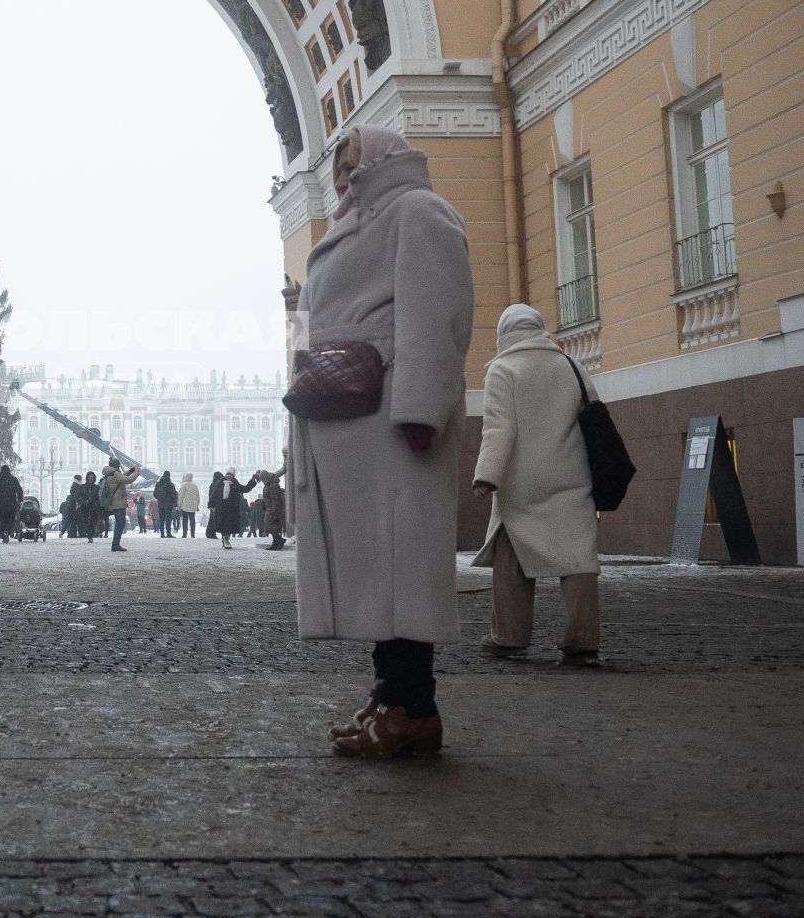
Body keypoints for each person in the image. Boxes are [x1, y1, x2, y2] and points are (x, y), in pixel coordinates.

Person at [290, 125, 473, 761]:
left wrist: (423, 408)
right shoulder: (355, 225)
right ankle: (387, 693)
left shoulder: (417, 212)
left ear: (380, 159)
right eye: (336, 168)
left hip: (394, 424)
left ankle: (412, 707)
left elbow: (435, 316)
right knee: (376, 573)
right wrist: (298, 311)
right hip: (353, 427)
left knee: (400, 572)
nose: (339, 178)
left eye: (349, 164)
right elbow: (325, 326)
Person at [472, 304, 603, 666]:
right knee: (578, 559)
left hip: (522, 483)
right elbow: (595, 413)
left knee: (511, 555)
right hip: (572, 478)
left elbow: (499, 428)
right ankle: (584, 643)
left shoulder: (503, 369)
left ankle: (509, 637)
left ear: (504, 334)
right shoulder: (572, 366)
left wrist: (486, 476)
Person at [100, 459, 141, 551]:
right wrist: (136, 472)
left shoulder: (109, 473)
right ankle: (115, 544)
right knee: (120, 524)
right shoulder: (115, 474)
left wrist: (129, 471)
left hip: (114, 502)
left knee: (119, 523)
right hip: (118, 503)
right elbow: (128, 480)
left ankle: (115, 544)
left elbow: (121, 478)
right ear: (117, 465)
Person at [214, 468, 253, 549]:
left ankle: (226, 539)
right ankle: (225, 539)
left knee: (230, 526)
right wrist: (211, 504)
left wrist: (252, 480)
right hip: (222, 508)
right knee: (224, 525)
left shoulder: (235, 484)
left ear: (233, 475)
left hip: (232, 509)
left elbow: (246, 489)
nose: (228, 476)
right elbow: (214, 494)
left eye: (230, 474)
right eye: (227, 474)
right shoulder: (220, 483)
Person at [258, 462, 288, 550]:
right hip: (269, 509)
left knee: (273, 526)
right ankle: (276, 542)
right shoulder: (268, 484)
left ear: (266, 477)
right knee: (269, 526)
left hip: (273, 509)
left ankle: (279, 541)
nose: (262, 481)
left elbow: (275, 500)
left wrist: (275, 513)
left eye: (263, 479)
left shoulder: (273, 485)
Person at [0, 465, 24, 543]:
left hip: (1, 504)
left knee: (2, 519)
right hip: (11, 503)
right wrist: (19, 500)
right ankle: (7, 531)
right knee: (10, 519)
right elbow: (19, 490)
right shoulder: (14, 480)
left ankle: (4, 532)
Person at [153, 472, 178, 539]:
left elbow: (155, 494)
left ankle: (162, 534)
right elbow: (174, 495)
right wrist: (174, 504)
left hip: (161, 505)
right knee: (168, 519)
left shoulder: (158, 484)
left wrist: (160, 499)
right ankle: (168, 533)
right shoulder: (170, 484)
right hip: (169, 505)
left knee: (161, 519)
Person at [205, 471, 224, 540]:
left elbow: (210, 495)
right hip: (219, 504)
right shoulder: (220, 484)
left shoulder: (212, 485)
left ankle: (210, 533)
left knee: (212, 519)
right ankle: (222, 534)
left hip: (213, 504)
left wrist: (210, 504)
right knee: (220, 519)